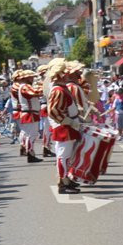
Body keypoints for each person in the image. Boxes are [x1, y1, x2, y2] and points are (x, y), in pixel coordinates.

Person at [47, 59, 82, 194]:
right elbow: (54, 111)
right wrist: (69, 121)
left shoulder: (61, 88)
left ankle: (66, 179)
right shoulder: (58, 90)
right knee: (63, 156)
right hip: (64, 127)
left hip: (67, 125)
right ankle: (63, 182)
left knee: (67, 155)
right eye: (66, 73)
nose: (69, 75)